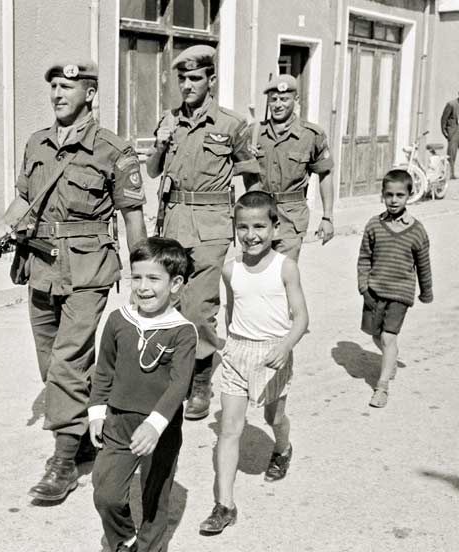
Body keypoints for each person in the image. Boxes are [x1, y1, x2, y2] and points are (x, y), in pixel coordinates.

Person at [0, 60, 147, 502]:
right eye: (54, 86)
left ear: (90, 94)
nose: (58, 94)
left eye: (68, 87)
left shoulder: (114, 150)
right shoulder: (37, 142)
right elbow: (24, 197)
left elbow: (132, 217)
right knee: (50, 360)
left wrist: (142, 274)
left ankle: (63, 462)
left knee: (68, 358)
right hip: (39, 264)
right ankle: (83, 428)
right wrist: (3, 227)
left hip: (88, 268)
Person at [145, 44, 260, 421]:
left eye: (195, 78)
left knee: (198, 307)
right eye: (182, 78)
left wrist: (252, 228)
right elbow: (152, 171)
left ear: (211, 80)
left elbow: (251, 178)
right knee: (167, 302)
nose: (188, 85)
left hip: (212, 225)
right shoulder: (169, 120)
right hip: (174, 220)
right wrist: (160, 143)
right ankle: (172, 375)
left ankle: (199, 382)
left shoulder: (232, 125)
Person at [199, 191, 309, 535]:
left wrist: (286, 345)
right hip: (237, 354)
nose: (251, 234)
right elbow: (233, 309)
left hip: (274, 354)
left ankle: (283, 447)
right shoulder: (230, 269)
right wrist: (230, 345)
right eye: (243, 227)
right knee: (230, 429)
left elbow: (302, 317)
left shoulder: (285, 267)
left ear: (275, 228)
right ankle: (225, 505)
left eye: (260, 226)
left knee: (273, 416)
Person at [90, 238, 197, 552]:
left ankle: (151, 547)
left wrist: (154, 424)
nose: (143, 287)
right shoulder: (118, 320)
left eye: (153, 279)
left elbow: (179, 385)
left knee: (153, 499)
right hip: (119, 421)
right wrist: (96, 412)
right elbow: (104, 369)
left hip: (160, 428)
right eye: (136, 277)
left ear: (175, 284)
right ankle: (125, 540)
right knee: (106, 493)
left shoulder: (182, 330)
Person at [357, 169, 433, 408]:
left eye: (400, 195)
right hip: (374, 291)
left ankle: (382, 387)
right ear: (382, 195)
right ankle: (391, 359)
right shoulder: (374, 225)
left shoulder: (417, 230)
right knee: (375, 335)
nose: (394, 200)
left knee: (389, 337)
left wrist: (426, 291)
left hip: (400, 293)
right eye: (389, 195)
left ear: (410, 196)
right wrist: (363, 286)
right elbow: (364, 258)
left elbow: (423, 264)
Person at [253, 74, 335, 262]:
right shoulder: (255, 133)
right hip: (258, 214)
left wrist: (327, 217)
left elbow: (325, 174)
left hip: (291, 218)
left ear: (296, 100)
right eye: (273, 100)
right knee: (256, 276)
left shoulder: (311, 135)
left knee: (283, 275)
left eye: (284, 99)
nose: (278, 105)